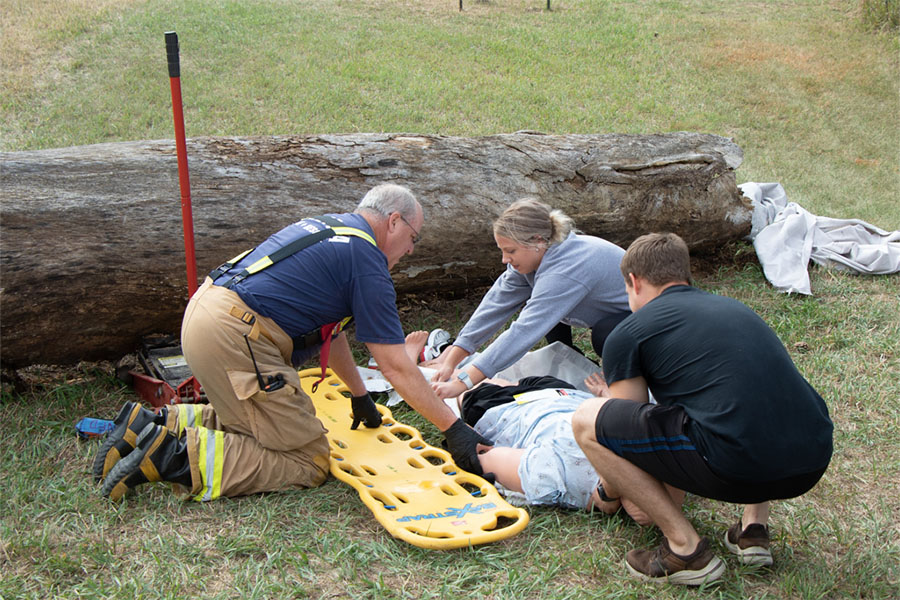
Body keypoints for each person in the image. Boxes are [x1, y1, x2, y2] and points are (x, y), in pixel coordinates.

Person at [95, 184, 491, 502]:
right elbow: (395, 366)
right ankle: (174, 458)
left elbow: (329, 331)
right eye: (413, 238)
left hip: (206, 313)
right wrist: (454, 429)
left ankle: (151, 424)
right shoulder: (367, 261)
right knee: (306, 457)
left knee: (257, 425)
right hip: (239, 333)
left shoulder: (328, 227)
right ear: (393, 221)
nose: (409, 250)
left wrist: (359, 395)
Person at [571, 232, 834, 586]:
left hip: (738, 466)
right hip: (812, 458)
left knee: (587, 419)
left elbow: (621, 434)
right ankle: (753, 530)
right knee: (744, 398)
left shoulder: (629, 332)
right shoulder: (735, 308)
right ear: (685, 275)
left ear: (633, 281)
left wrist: (607, 492)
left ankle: (685, 550)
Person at [430, 198, 630, 399]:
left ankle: (627, 382)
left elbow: (524, 331)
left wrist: (463, 382)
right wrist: (451, 360)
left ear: (538, 240)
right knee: (544, 301)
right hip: (602, 310)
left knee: (607, 335)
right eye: (502, 250)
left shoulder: (566, 269)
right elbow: (494, 306)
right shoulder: (539, 255)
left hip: (646, 321)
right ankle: (571, 361)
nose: (504, 260)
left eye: (511, 251)